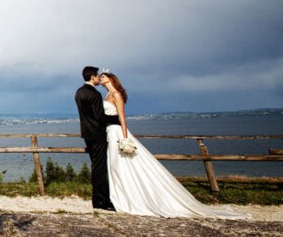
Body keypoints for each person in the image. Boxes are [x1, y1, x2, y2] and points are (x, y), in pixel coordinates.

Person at [100, 72, 247, 219]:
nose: (101, 78)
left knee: (121, 164)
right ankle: (121, 197)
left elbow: (122, 118)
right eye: (100, 77)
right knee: (115, 165)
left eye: (103, 77)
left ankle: (131, 199)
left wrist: (125, 139)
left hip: (117, 132)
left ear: (111, 79)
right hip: (109, 132)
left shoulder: (116, 95)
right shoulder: (106, 96)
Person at [75, 66, 117, 211]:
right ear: (93, 77)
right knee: (100, 169)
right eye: (98, 76)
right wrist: (117, 119)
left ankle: (97, 200)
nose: (99, 78)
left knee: (96, 167)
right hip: (98, 135)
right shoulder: (95, 94)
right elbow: (99, 117)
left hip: (87, 134)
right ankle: (101, 201)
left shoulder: (79, 92)